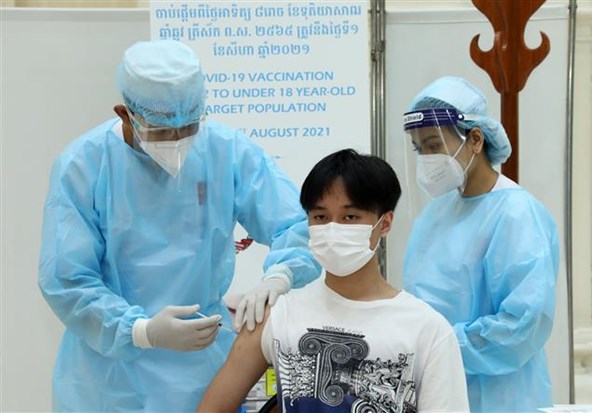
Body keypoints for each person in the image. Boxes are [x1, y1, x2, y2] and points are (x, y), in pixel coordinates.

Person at [38, 39, 320, 412]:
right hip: (109, 377)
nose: (176, 142)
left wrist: (280, 276)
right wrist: (140, 331)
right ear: (125, 114)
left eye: (188, 128)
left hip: (199, 370)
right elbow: (66, 278)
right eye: (160, 132)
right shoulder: (84, 166)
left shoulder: (226, 151)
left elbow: (297, 224)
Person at [197, 149, 470, 413]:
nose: (333, 228)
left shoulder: (427, 329)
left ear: (385, 223)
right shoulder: (277, 315)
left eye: (350, 217)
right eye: (321, 217)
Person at [402, 76, 559, 412]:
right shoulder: (436, 214)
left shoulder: (517, 214)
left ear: (474, 139)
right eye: (419, 149)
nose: (426, 158)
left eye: (433, 145)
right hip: (438, 389)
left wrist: (439, 346)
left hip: (500, 397)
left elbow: (522, 325)